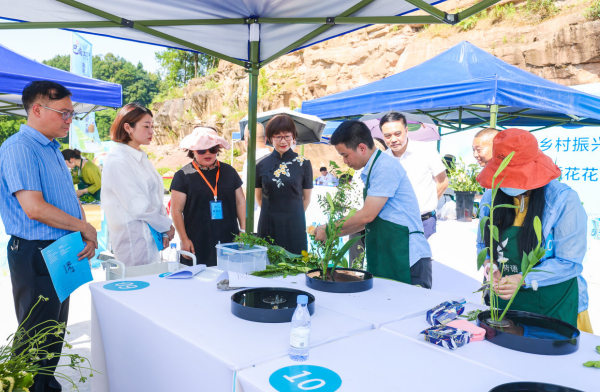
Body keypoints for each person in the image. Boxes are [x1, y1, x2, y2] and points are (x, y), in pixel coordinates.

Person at [0, 81, 97, 392]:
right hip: (36, 251)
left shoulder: (52, 147)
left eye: (72, 114)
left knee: (52, 333)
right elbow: (35, 208)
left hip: (59, 248)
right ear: (37, 109)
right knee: (36, 337)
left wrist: (84, 229)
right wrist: (83, 227)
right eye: (64, 113)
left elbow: (68, 197)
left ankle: (43, 385)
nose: (70, 119)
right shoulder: (20, 147)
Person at [476, 128, 592, 332]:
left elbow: (569, 262)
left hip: (554, 302)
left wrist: (522, 279)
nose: (511, 184)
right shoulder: (491, 196)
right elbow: (482, 244)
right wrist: (490, 266)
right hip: (505, 303)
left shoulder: (562, 200)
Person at [314, 121, 433, 287]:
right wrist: (331, 235)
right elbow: (365, 223)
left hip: (407, 258)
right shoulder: (372, 169)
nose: (345, 161)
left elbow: (367, 215)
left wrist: (329, 228)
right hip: (390, 254)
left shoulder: (385, 167)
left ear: (362, 148)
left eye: (345, 155)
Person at [101, 103, 174, 267]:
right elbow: (138, 205)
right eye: (146, 126)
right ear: (128, 127)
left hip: (151, 237)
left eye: (152, 126)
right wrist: (165, 225)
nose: (151, 131)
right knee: (135, 286)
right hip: (132, 241)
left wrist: (164, 227)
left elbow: (155, 197)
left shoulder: (141, 158)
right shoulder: (118, 161)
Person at [170, 127, 246, 266]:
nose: (207, 153)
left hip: (229, 240)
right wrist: (184, 239)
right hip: (197, 241)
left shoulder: (229, 171)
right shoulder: (183, 176)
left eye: (212, 149)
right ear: (192, 150)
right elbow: (176, 211)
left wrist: (242, 230)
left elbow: (241, 201)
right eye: (201, 150)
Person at [380, 111, 448, 239]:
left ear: (406, 130)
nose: (393, 139)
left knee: (422, 259)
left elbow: (443, 182)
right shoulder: (382, 159)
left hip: (423, 222)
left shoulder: (426, 151)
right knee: (396, 259)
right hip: (394, 224)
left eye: (397, 134)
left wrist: (421, 208)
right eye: (387, 136)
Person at [256, 114, 313, 254]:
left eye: (287, 136)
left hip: (294, 225)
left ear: (293, 137)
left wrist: (292, 215)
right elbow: (258, 197)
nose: (283, 141)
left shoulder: (304, 164)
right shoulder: (261, 164)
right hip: (268, 224)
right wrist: (272, 214)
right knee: (267, 268)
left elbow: (306, 199)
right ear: (270, 138)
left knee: (295, 265)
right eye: (278, 136)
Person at [241, 123, 271, 232]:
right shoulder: (275, 160)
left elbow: (246, 194)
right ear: (266, 139)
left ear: (246, 140)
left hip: (256, 220)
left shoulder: (251, 162)